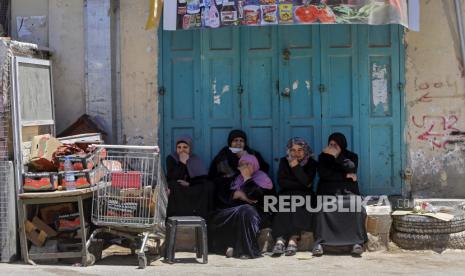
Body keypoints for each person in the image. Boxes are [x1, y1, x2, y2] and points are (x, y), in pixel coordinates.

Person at [208, 155, 274, 259]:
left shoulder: (263, 179)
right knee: (215, 216)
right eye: (241, 165)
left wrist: (247, 178)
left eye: (248, 164)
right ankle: (223, 248)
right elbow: (229, 198)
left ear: (255, 165)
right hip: (238, 210)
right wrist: (238, 195)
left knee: (246, 210)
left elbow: (257, 197)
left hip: (258, 213)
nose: (244, 167)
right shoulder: (237, 180)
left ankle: (247, 251)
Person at [312, 132, 367, 257]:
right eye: (330, 144)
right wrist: (345, 176)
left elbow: (352, 168)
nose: (332, 147)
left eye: (335, 144)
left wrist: (337, 156)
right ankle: (320, 243)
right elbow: (324, 174)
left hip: (348, 192)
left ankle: (356, 243)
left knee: (355, 205)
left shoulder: (352, 156)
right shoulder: (323, 157)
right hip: (328, 191)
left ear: (342, 144)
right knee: (322, 207)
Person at [271, 138, 317, 257]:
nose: (296, 153)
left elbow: (308, 182)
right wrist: (301, 183)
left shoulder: (311, 163)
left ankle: (293, 239)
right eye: (293, 150)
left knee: (299, 201)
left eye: (300, 150)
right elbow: (282, 182)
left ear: (305, 150)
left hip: (305, 196)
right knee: (284, 202)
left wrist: (296, 167)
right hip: (287, 193)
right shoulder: (283, 161)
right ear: (289, 151)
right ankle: (280, 240)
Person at [209, 129, 270, 208]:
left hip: (249, 182)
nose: (238, 143)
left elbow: (263, 169)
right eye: (235, 140)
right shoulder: (222, 156)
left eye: (241, 140)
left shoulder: (252, 153)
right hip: (228, 187)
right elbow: (212, 175)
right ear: (230, 142)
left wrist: (246, 159)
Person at [166, 136, 213, 219]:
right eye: (179, 147)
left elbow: (203, 178)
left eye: (185, 147)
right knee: (172, 184)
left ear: (190, 148)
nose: (182, 150)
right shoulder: (171, 158)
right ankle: (177, 215)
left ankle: (202, 215)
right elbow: (172, 177)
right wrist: (182, 163)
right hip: (178, 189)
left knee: (209, 185)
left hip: (191, 188)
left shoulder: (195, 159)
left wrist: (190, 183)